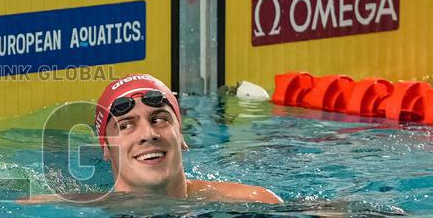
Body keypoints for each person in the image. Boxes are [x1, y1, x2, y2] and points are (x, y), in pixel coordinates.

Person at [29, 74, 281, 204]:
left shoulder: (254, 202)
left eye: (159, 119)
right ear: (105, 148)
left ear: (180, 135)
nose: (148, 134)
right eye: (126, 125)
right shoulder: (57, 209)